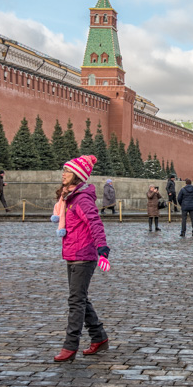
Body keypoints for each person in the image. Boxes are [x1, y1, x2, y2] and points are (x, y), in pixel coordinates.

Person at [52, 155, 111, 362]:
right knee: (80, 298)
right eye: (63, 170)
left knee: (76, 301)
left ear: (77, 175)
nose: (63, 174)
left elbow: (95, 222)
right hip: (72, 253)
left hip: (83, 256)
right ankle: (99, 337)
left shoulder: (82, 198)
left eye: (67, 171)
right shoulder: (69, 197)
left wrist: (102, 249)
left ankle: (70, 346)